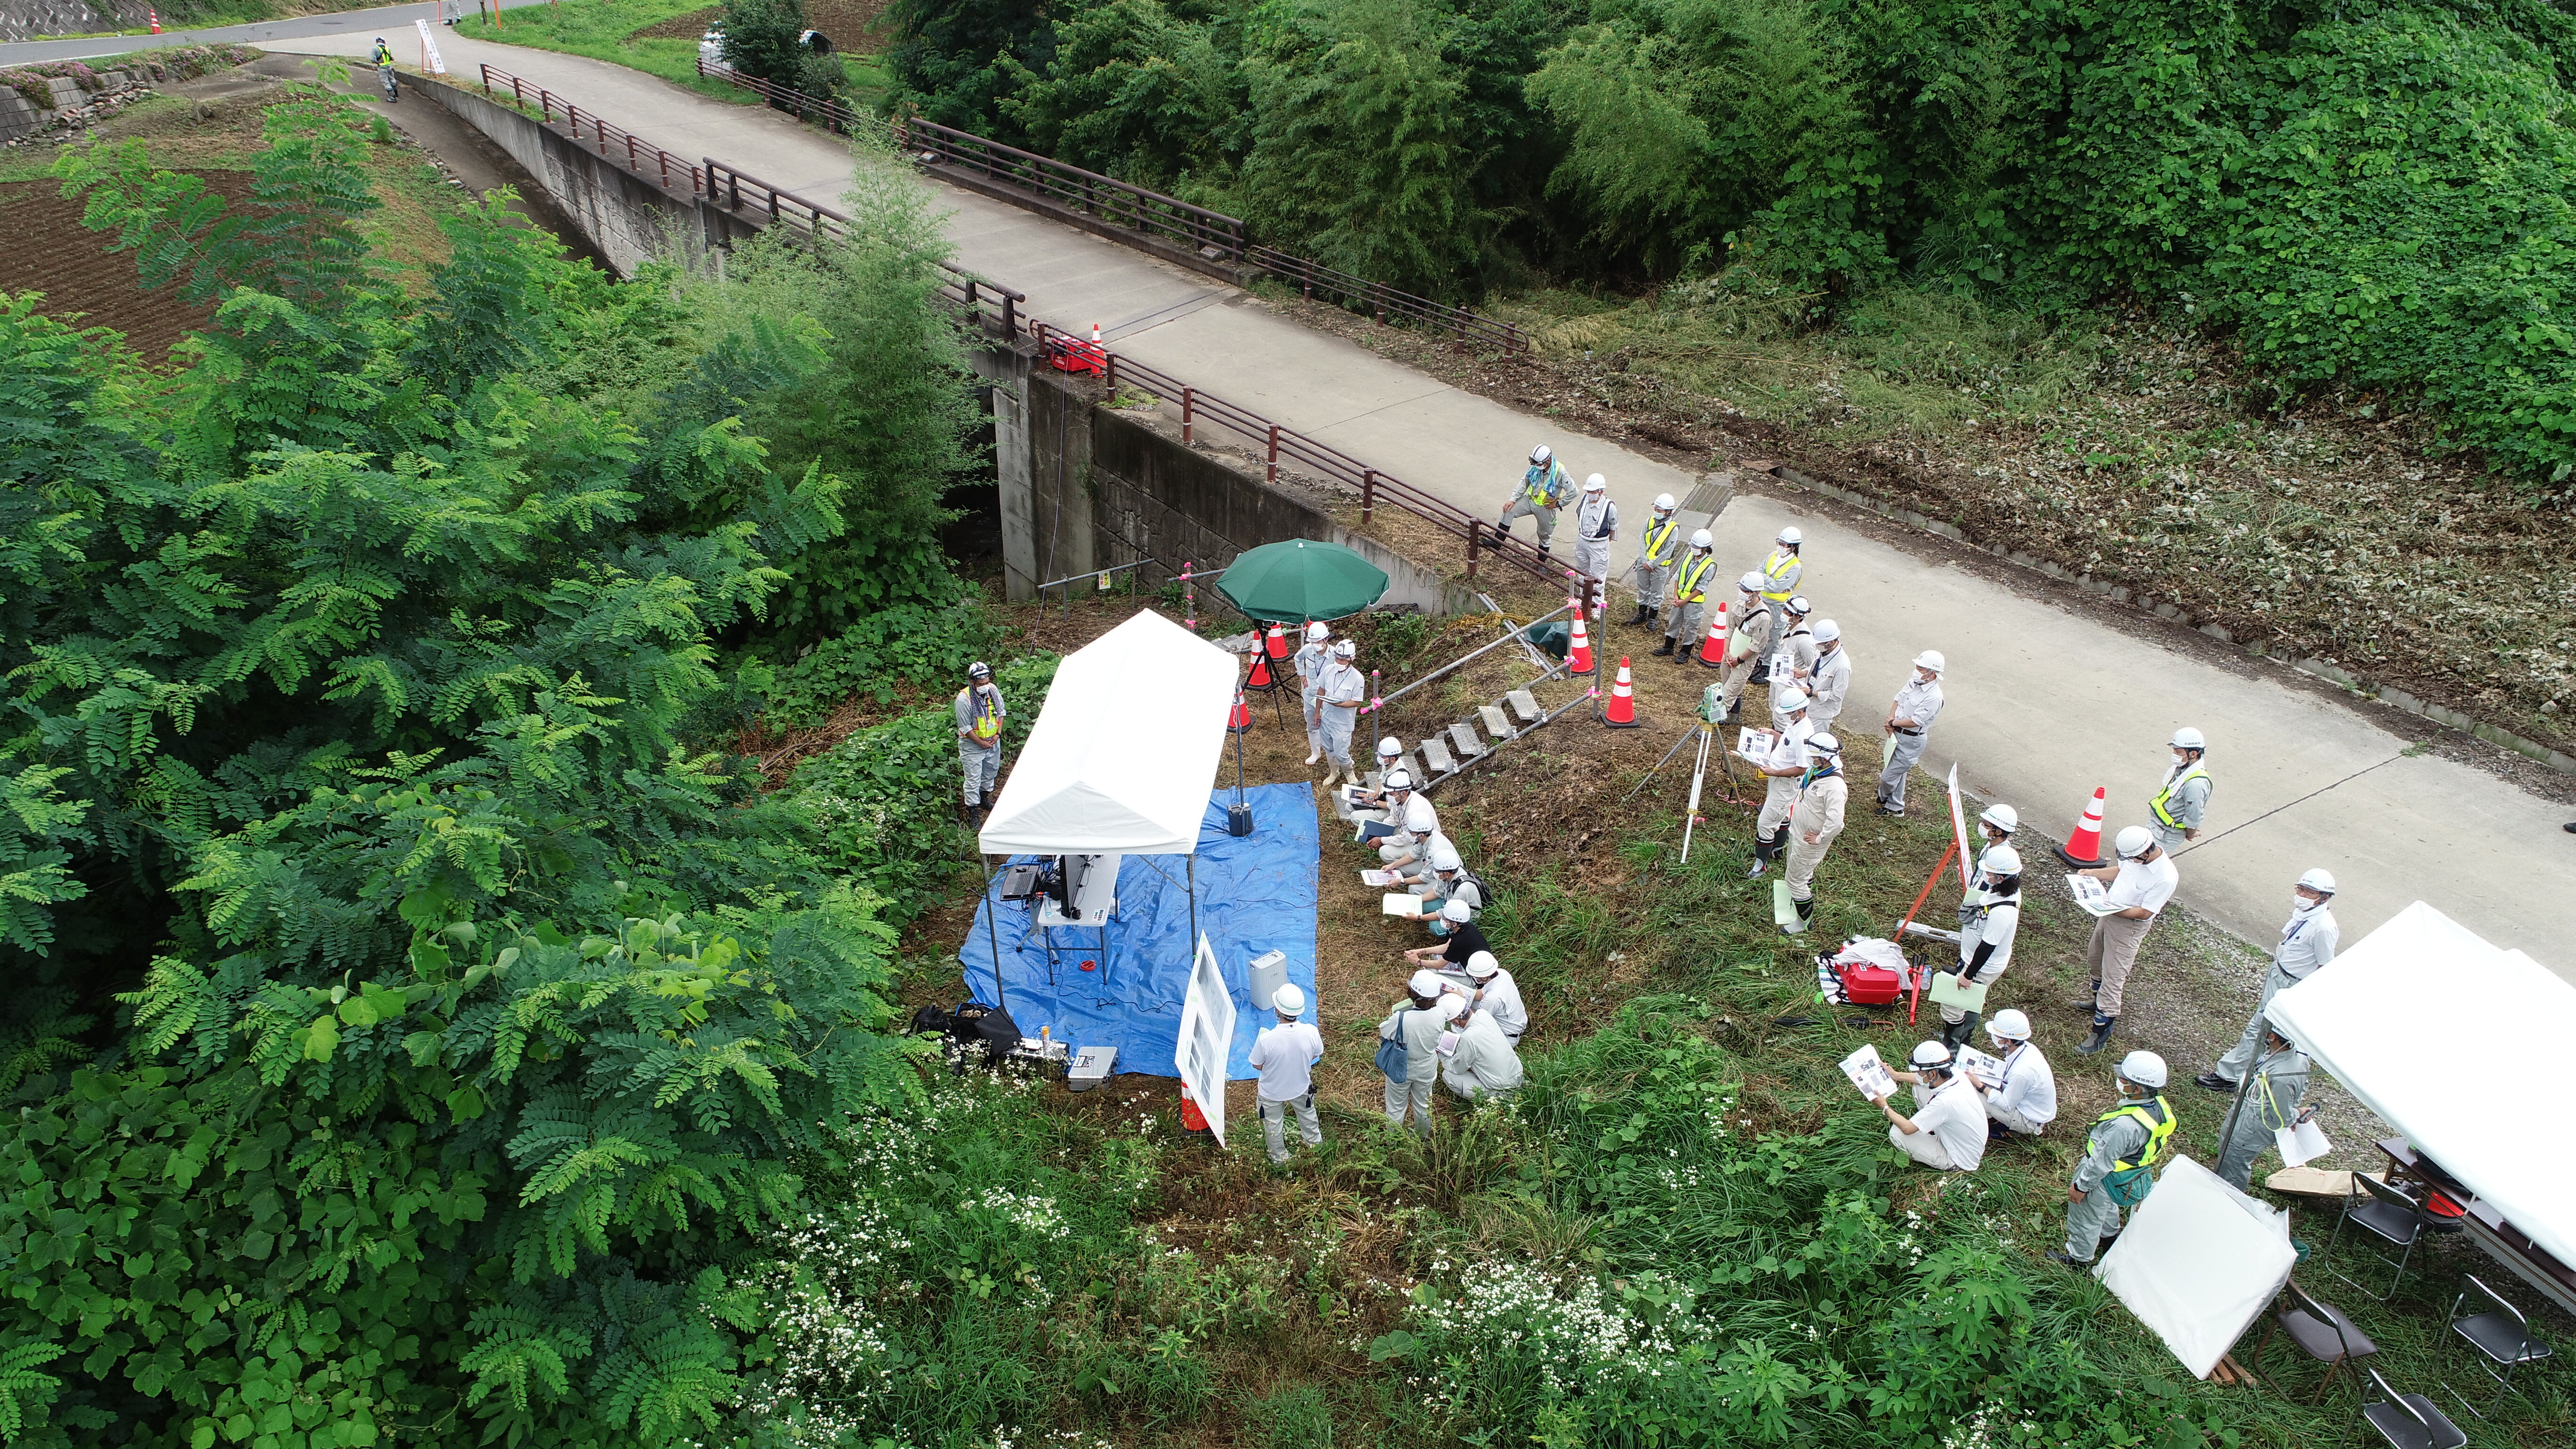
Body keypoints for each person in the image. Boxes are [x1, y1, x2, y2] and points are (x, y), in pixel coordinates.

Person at [2198, 869, 2340, 1092]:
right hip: (2279, 974)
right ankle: (2240, 1075)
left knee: (2267, 1031)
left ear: (2325, 897)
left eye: (2309, 892)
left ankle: (2234, 1077)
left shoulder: (2323, 928)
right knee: (2262, 1028)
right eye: (2300, 889)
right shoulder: (2305, 914)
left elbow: (2325, 966)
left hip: (2293, 984)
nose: (2302, 895)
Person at [2050, 1051, 2175, 1266]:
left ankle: (2078, 1260)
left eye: (2124, 1080)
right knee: (2108, 1208)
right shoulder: (2157, 1109)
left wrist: (2080, 1188)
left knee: (2085, 1218)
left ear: (2137, 1089)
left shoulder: (2124, 1127)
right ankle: (2109, 1237)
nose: (2119, 1081)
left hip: (2102, 1178)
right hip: (2125, 1177)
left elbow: (2101, 1162)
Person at [2069, 826, 2178, 1055]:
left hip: (2127, 927)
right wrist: (2092, 874)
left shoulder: (2165, 877)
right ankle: (2096, 1002)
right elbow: (2121, 871)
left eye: (2133, 858)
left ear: (2145, 853)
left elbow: (2145, 913)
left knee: (2113, 977)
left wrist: (2111, 909)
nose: (2130, 861)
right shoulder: (2136, 857)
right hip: (2109, 914)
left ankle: (2100, 1033)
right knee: (2095, 959)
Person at [1937, 845, 2021, 1049]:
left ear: (2001, 878)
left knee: (1953, 1003)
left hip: (1982, 967)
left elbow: (1987, 947)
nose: (1986, 875)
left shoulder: (2002, 914)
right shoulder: (2003, 891)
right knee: (1974, 998)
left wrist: (1968, 975)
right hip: (1975, 960)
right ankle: (1965, 1036)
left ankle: (1952, 1044)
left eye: (1989, 873)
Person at [2214, 1025, 2313, 1191]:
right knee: (2226, 1152)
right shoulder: (2288, 1056)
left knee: (2234, 1162)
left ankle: (2227, 1197)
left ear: (2273, 1037)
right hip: (2245, 1112)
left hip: (2252, 1126)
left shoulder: (2282, 1077)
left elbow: (2282, 1116)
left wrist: (2295, 1113)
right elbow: (2303, 1087)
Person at [1876, 1040, 1988, 1172]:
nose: (1918, 1075)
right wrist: (1895, 1075)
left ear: (1933, 1074)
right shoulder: (1956, 1074)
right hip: (1970, 1144)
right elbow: (1920, 1081)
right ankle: (1928, 1125)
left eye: (1920, 1072)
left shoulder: (1944, 1103)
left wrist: (1884, 1107)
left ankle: (1951, 1167)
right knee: (1920, 1088)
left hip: (1960, 1159)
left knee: (1897, 1133)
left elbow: (1907, 1129)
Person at [1250, 984, 1325, 1166]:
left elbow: (1257, 1064)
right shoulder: (1311, 1032)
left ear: (1277, 1010)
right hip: (1301, 1087)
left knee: (1273, 1126)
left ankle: (1279, 1160)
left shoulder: (1266, 1040)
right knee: (1308, 1117)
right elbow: (1316, 1054)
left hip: (1272, 1092)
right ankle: (1315, 1149)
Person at [1781, 733, 1848, 933]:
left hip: (1810, 842)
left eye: (1815, 757)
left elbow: (1836, 823)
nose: (1811, 760)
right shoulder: (1818, 771)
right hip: (1798, 831)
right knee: (1800, 872)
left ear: (1826, 758)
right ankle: (1804, 888)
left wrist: (1819, 838)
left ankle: (1802, 923)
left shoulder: (1835, 787)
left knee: (1794, 880)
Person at [1746, 688, 1814, 877]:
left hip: (1786, 784)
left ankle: (1760, 864)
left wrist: (1775, 772)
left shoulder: (1804, 735)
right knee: (1783, 817)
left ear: (1800, 710)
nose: (1787, 715)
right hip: (1777, 779)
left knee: (1765, 823)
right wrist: (1772, 733)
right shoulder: (1796, 724)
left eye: (1789, 712)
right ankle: (1776, 850)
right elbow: (1785, 742)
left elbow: (1802, 768)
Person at [1877, 651, 1946, 816]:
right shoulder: (1915, 681)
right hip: (1897, 734)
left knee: (1888, 777)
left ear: (1933, 673)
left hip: (1911, 741)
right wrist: (1891, 719)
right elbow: (1899, 699)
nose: (1917, 670)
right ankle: (1895, 807)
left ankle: (1883, 795)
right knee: (1898, 771)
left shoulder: (1934, 697)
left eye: (1921, 669)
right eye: (1917, 667)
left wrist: (1893, 723)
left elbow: (1916, 722)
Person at [1380, 970, 1447, 1135]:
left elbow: (1384, 1031)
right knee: (1424, 1105)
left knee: (1396, 1107)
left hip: (1402, 1066)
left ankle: (1393, 1141)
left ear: (1412, 994)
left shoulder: (1401, 1018)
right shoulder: (1440, 1014)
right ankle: (1422, 1138)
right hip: (1427, 1066)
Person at [1971, 1009, 2056, 1140]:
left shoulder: (2022, 1072)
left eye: (1997, 1035)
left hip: (2028, 1120)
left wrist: (1980, 1085)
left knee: (1973, 1094)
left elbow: (2006, 1105)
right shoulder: (2026, 1048)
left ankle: (2004, 1129)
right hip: (2024, 1104)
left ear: (2008, 1041)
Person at [1438, 992, 1524, 1099]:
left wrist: (1442, 1056)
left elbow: (1457, 1068)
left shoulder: (1468, 1038)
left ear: (1456, 1021)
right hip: (1517, 1076)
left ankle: (1493, 1099)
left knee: (1448, 1075)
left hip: (1502, 1089)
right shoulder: (1484, 1014)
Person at [954, 661, 1006, 825]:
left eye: (986, 682)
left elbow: (1001, 712)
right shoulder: (964, 700)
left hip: (993, 740)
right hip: (973, 745)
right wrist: (980, 743)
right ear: (972, 682)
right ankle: (973, 812)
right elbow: (965, 727)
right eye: (981, 684)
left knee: (990, 771)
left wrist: (998, 734)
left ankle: (984, 799)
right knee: (973, 779)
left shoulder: (992, 690)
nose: (985, 685)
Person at [1495, 443, 1571, 554]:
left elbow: (1573, 492)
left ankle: (1542, 564)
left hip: (1546, 507)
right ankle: (1497, 543)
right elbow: (1524, 482)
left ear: (1548, 461)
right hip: (1530, 500)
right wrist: (1513, 500)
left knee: (1543, 535)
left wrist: (1560, 503)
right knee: (1508, 511)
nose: (1536, 466)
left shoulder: (1560, 472)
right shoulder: (1535, 465)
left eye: (1539, 464)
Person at [2148, 726, 2213, 855]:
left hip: (2166, 835)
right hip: (2156, 825)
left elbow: (2194, 816)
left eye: (2178, 752)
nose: (2174, 755)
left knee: (2143, 866)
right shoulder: (2182, 769)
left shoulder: (2196, 784)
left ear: (2193, 754)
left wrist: (2191, 833)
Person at [1718, 572, 1774, 717]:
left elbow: (1757, 645)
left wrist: (1739, 660)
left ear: (1756, 593)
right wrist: (1726, 651)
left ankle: (1714, 722)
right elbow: (1730, 628)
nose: (1742, 593)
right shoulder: (1739, 605)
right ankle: (1733, 717)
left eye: (1746, 591)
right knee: (1727, 687)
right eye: (1742, 589)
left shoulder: (1763, 617)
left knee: (1729, 693)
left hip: (1745, 660)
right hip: (1731, 653)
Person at [1358, 769, 1439, 869]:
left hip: (1422, 842)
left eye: (1392, 794)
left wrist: (1381, 840)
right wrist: (1377, 833)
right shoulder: (1399, 801)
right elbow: (1393, 819)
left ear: (1404, 793)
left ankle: (1409, 867)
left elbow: (1404, 839)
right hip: (1409, 835)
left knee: (1385, 852)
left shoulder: (1414, 811)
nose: (1389, 797)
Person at [1657, 530, 1717, 661]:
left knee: (1691, 627)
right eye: (1693, 546)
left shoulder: (1709, 566)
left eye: (1697, 547)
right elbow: (1678, 576)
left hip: (1694, 603)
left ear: (1705, 548)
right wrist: (1676, 596)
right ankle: (1669, 647)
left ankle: (1685, 652)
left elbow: (1701, 589)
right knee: (1674, 622)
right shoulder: (1687, 556)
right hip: (1679, 599)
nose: (1694, 549)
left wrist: (1684, 601)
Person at [1313, 640, 1366, 787]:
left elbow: (1356, 701)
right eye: (1337, 658)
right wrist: (1317, 712)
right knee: (1328, 748)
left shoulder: (1357, 678)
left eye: (1343, 660)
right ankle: (1334, 772)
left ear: (1351, 659)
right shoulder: (1329, 670)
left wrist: (1340, 704)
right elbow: (1321, 690)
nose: (1339, 662)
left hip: (1343, 723)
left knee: (1341, 753)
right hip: (1327, 717)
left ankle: (1349, 772)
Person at [1627, 493, 1681, 629]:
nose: (1657, 512)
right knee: (1643, 590)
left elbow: (1668, 551)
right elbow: (1642, 540)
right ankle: (1642, 613)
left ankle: (1652, 617)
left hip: (1660, 567)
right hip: (1644, 563)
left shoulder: (1673, 529)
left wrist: (1652, 563)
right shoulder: (1649, 521)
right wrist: (1645, 560)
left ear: (1668, 512)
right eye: (1656, 509)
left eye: (1660, 510)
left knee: (1656, 593)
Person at [1571, 474, 1618, 620]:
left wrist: (1606, 540)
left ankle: (1597, 605)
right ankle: (1584, 598)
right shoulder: (1585, 500)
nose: (1590, 494)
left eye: (1593, 492)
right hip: (1583, 541)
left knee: (1598, 577)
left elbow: (1613, 526)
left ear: (1601, 492)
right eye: (1588, 491)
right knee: (1582, 572)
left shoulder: (1609, 507)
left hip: (1598, 544)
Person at [1768, 596, 1817, 729]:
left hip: (1790, 687)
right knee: (1775, 710)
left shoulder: (1805, 641)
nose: (1784, 614)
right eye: (1784, 610)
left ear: (1798, 617)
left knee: (1784, 720)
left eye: (1788, 613)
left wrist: (1802, 674)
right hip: (1779, 680)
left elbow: (1812, 666)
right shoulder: (1788, 628)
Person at [1462, 949, 1527, 1042]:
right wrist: (1461, 994)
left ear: (1484, 977)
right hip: (1515, 1023)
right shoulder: (1503, 974)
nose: (1475, 978)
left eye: (1476, 977)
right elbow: (1481, 994)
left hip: (1508, 1037)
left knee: (1464, 1028)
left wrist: (1462, 1004)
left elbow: (1478, 1022)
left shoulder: (1492, 998)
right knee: (1471, 1004)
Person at [1405, 895, 1489, 967]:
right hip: (1474, 963)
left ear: (1454, 924)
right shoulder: (1467, 927)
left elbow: (1440, 965)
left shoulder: (1459, 941)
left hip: (1473, 978)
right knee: (1435, 957)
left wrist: (1418, 962)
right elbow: (1447, 947)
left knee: (1433, 971)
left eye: (1445, 919)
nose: (1442, 920)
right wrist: (1423, 951)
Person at [1801, 620, 1852, 732]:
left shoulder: (1842, 666)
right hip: (1808, 705)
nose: (1817, 646)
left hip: (1821, 713)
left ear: (1831, 642)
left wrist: (1811, 693)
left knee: (1812, 740)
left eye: (1820, 644)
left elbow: (1837, 696)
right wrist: (1804, 673)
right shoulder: (1824, 652)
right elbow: (1818, 669)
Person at [1294, 621, 1333, 766]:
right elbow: (1297, 658)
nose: (1315, 645)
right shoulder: (1308, 649)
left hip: (1327, 698)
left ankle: (1336, 755)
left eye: (1318, 642)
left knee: (1330, 726)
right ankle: (1315, 752)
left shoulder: (1335, 655)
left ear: (1326, 639)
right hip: (1310, 695)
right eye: (1313, 642)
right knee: (1312, 723)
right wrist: (1302, 675)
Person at [1758, 526, 1803, 615]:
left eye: (1784, 545)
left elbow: (1775, 588)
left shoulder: (1795, 567)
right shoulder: (1773, 555)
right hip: (1760, 600)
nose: (1780, 547)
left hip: (1776, 607)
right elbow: (1759, 572)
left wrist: (1762, 581)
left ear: (1793, 547)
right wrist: (1772, 581)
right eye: (1779, 543)